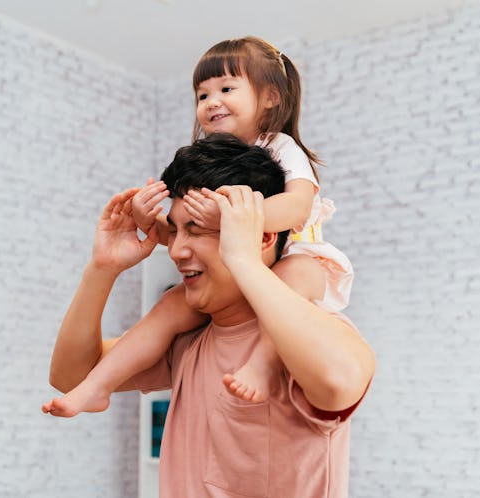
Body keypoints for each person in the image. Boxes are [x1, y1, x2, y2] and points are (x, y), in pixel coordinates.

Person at [44, 134, 375, 497]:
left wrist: (244, 259)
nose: (176, 250)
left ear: (264, 237)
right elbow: (70, 377)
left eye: (196, 229)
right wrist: (101, 270)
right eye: (175, 229)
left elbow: (337, 382)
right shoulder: (186, 340)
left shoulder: (311, 336)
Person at [43, 36, 354, 416]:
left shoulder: (281, 148)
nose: (212, 102)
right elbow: (66, 376)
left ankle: (261, 364)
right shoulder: (193, 340)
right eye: (202, 95)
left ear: (271, 97)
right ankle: (98, 387)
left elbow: (297, 206)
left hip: (303, 255)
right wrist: (137, 232)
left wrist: (235, 221)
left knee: (295, 274)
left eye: (226, 89)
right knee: (168, 305)